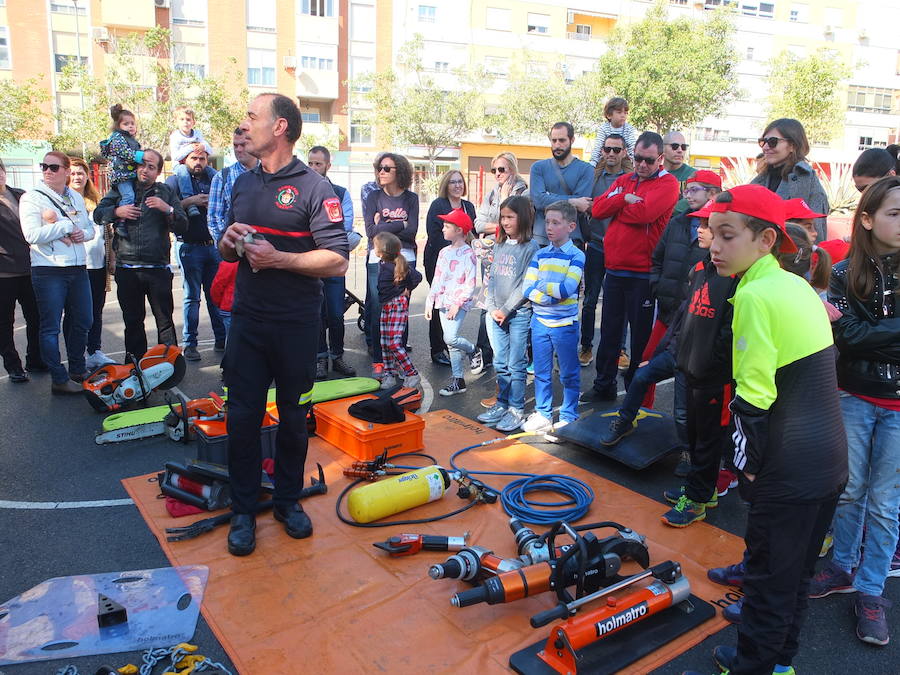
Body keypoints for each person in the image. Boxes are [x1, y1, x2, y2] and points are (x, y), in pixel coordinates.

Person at [684, 184, 847, 675]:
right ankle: (777, 665)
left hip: (788, 464)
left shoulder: (753, 294)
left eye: (728, 235)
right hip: (828, 462)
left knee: (769, 582)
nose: (714, 245)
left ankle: (753, 666)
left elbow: (753, 398)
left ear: (767, 240)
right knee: (794, 579)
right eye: (712, 233)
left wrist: (746, 470)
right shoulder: (796, 284)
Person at [218, 93, 349, 557]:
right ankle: (242, 510)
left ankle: (288, 502)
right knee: (242, 419)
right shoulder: (242, 184)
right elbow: (225, 250)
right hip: (248, 325)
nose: (245, 123)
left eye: (252, 116)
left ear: (279, 128)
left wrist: (280, 259)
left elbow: (336, 260)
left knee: (295, 420)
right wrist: (229, 241)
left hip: (295, 327)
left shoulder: (315, 188)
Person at [808, 176, 899, 647]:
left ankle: (870, 589)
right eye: (895, 213)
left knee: (885, 506)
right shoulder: (843, 274)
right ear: (866, 219)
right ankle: (842, 566)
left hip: (897, 407)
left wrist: (864, 333)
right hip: (856, 395)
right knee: (850, 490)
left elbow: (858, 334)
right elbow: (846, 339)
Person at [584, 131, 679, 401]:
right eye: (638, 158)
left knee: (640, 341)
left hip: (643, 273)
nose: (642, 165)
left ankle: (636, 394)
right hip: (614, 269)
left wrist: (617, 206)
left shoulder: (668, 183)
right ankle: (604, 385)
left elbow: (645, 214)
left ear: (660, 159)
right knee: (610, 333)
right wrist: (623, 199)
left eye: (649, 160)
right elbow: (598, 209)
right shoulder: (625, 181)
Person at [658, 217, 739, 527]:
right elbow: (689, 318)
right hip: (691, 368)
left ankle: (698, 499)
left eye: (717, 232)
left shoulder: (737, 279)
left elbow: (729, 335)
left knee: (708, 439)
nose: (703, 234)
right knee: (694, 435)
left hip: (714, 378)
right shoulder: (702, 269)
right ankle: (699, 489)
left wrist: (708, 365)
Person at [95, 150, 188, 359]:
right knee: (133, 321)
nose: (145, 170)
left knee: (164, 321)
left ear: (158, 172)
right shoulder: (121, 190)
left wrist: (168, 209)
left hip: (157, 268)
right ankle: (135, 367)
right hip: (127, 268)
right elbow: (98, 215)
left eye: (151, 167)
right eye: (142, 165)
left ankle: (169, 365)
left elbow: (183, 226)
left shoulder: (165, 192)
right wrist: (117, 212)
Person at [19, 152, 95, 393]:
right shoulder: (32, 198)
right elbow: (31, 235)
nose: (47, 171)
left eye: (53, 167)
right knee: (50, 326)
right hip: (48, 269)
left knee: (84, 319)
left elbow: (88, 228)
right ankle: (59, 379)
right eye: (44, 166)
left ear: (65, 170)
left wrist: (83, 234)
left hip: (77, 267)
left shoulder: (74, 196)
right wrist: (63, 225)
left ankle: (77, 368)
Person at [477, 195, 539, 433]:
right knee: (500, 362)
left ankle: (515, 408)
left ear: (522, 218)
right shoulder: (500, 244)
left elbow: (525, 284)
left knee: (516, 363)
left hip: (518, 314)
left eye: (509, 217)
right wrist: (492, 307)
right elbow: (491, 278)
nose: (504, 222)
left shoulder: (530, 247)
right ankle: (502, 404)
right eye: (502, 217)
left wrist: (505, 309)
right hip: (496, 314)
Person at [521, 200, 585, 434]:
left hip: (564, 325)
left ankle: (569, 415)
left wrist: (540, 288)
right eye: (547, 222)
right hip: (539, 322)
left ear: (570, 226)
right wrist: (548, 292)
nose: (549, 227)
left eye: (556, 223)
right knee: (541, 371)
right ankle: (543, 413)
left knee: (569, 372)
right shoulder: (540, 254)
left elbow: (566, 290)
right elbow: (526, 290)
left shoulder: (577, 255)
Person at [166, 146, 226, 361]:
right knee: (192, 298)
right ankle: (190, 344)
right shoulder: (174, 182)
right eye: (194, 158)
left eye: (202, 158)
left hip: (213, 246)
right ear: (184, 160)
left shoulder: (214, 179)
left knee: (215, 296)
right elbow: (166, 211)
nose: (198, 162)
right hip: (189, 246)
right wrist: (190, 201)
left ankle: (222, 339)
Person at [363, 152, 418, 380]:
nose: (381, 172)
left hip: (405, 257)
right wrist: (399, 223)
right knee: (378, 311)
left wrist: (384, 225)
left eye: (387, 168)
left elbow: (412, 230)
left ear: (400, 172)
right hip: (377, 258)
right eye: (380, 168)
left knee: (399, 313)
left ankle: (399, 361)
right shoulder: (373, 197)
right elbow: (370, 232)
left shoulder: (411, 198)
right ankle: (379, 363)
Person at [473, 153, 529, 375]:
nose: (497, 174)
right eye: (494, 170)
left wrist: (497, 222)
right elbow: (477, 223)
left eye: (502, 170)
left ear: (512, 170)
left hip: (515, 252)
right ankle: (485, 353)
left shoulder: (523, 192)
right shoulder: (491, 193)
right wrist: (502, 223)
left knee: (515, 304)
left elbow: (522, 221)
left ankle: (517, 359)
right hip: (492, 251)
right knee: (488, 302)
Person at [307, 145, 358, 379]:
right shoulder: (300, 190)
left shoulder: (340, 192)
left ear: (328, 165)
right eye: (311, 163)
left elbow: (343, 227)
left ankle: (337, 356)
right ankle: (319, 358)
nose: (314, 167)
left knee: (336, 314)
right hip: (311, 264)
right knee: (316, 314)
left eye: (318, 163)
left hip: (334, 263)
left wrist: (318, 233)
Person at [580, 133, 627, 367]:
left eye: (616, 150)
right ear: (602, 151)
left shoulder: (630, 179)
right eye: (608, 149)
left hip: (620, 249)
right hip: (596, 247)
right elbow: (586, 206)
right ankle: (586, 346)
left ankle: (620, 350)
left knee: (618, 302)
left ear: (624, 152)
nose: (611, 153)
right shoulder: (593, 178)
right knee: (590, 300)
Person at [65, 157, 114, 371]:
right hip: (75, 266)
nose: (77, 177)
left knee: (96, 311)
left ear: (87, 176)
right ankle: (75, 355)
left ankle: (94, 351)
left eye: (81, 173)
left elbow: (109, 234)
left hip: (97, 266)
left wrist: (111, 258)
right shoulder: (62, 201)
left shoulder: (97, 202)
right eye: (73, 173)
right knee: (75, 314)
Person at [424, 169, 477, 366]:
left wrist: (467, 251)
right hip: (440, 262)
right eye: (453, 182)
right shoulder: (439, 204)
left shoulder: (468, 206)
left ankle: (452, 343)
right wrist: (453, 251)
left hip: (462, 263)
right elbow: (434, 234)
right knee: (440, 303)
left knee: (456, 305)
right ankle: (437, 349)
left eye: (460, 182)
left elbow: (472, 233)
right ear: (446, 184)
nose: (457, 185)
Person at [0, 158, 44, 382]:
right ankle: (13, 366)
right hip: (4, 274)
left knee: (36, 317)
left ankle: (35, 359)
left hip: (29, 268)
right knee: (5, 323)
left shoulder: (20, 194)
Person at [425, 208, 477, 396]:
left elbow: (470, 283)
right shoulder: (444, 252)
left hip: (458, 304)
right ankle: (458, 381)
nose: (443, 229)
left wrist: (458, 303)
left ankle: (472, 349)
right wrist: (429, 302)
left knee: (450, 338)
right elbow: (437, 279)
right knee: (451, 344)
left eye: (447, 226)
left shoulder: (468, 253)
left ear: (459, 231)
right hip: (443, 302)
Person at [750, 118, 829, 242]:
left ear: (792, 145)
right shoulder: (761, 179)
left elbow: (817, 233)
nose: (765, 147)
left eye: (772, 142)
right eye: (762, 142)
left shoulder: (806, 182)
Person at [529, 122, 593, 246]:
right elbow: (538, 200)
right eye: (554, 141)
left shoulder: (586, 169)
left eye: (562, 140)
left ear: (572, 140)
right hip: (542, 239)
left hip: (572, 240)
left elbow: (582, 205)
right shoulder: (538, 168)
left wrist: (548, 196)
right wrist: (572, 201)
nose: (557, 145)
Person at [374, 231, 422, 390]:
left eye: (375, 246)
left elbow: (417, 277)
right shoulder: (383, 263)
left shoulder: (397, 265)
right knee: (385, 343)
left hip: (397, 305)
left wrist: (407, 289)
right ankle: (390, 374)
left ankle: (411, 373)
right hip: (387, 305)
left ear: (382, 251)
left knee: (394, 343)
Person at [99, 104, 145, 239]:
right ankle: (120, 222)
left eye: (132, 123)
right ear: (118, 126)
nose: (130, 126)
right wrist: (141, 157)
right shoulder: (118, 138)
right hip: (122, 175)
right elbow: (125, 153)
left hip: (129, 174)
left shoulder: (131, 140)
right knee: (128, 196)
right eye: (126, 124)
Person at [168, 106, 214, 218]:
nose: (185, 122)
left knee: (212, 171)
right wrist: (191, 148)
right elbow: (176, 157)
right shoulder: (175, 137)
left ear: (193, 122)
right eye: (182, 119)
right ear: (176, 121)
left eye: (188, 119)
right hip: (180, 165)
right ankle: (189, 200)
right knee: (183, 173)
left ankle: (220, 192)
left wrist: (203, 146)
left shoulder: (197, 134)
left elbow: (210, 150)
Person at [588, 97, 638, 165]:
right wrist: (593, 162)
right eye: (619, 112)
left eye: (625, 113)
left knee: (631, 173)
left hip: (623, 160)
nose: (623, 115)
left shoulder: (629, 129)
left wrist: (635, 162)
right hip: (606, 159)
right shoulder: (604, 128)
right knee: (595, 173)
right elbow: (598, 146)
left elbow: (632, 146)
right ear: (609, 115)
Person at [663, 131, 696, 216]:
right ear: (662, 149)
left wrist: (660, 209)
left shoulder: (694, 175)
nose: (680, 150)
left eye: (684, 147)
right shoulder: (654, 173)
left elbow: (692, 200)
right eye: (675, 146)